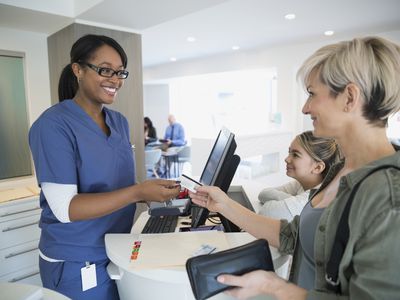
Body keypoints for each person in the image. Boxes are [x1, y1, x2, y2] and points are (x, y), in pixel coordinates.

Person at [190, 36, 400, 299]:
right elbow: (294, 236)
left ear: (349, 97)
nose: (305, 107)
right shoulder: (340, 171)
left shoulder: (389, 197)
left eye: (312, 94)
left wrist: (274, 287)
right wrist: (223, 204)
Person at [29, 34, 180, 300]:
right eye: (105, 70)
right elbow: (66, 209)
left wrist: (152, 193)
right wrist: (137, 192)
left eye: (120, 72)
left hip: (117, 248)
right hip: (76, 259)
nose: (115, 80)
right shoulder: (53, 126)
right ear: (78, 69)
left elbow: (120, 183)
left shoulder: (119, 122)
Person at [258, 131, 341, 221]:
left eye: (295, 155)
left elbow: (266, 211)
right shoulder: (302, 183)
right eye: (289, 152)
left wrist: (292, 202)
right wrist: (292, 200)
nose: (287, 159)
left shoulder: (316, 198)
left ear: (317, 167)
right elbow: (263, 194)